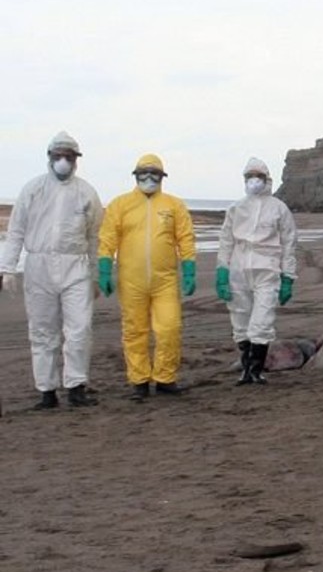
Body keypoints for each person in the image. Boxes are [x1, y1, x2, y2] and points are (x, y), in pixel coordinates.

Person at [0, 131, 104, 409]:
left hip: (76, 266)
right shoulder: (33, 190)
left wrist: (94, 274)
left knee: (79, 328)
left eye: (68, 157)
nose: (63, 162)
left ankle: (76, 385)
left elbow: (94, 237)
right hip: (39, 266)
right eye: (58, 156)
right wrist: (7, 267)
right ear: (49, 157)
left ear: (76, 160)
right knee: (43, 330)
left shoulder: (87, 193)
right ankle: (47, 390)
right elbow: (16, 230)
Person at [98, 153, 197, 401]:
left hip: (165, 281)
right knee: (134, 330)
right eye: (144, 173)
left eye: (155, 173)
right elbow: (108, 238)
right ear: (136, 175)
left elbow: (185, 237)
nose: (149, 178)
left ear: (162, 177)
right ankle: (139, 380)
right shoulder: (120, 205)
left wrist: (189, 270)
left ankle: (165, 378)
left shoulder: (174, 206)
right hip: (131, 281)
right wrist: (104, 269)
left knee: (169, 328)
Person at [215, 157, 298, 385]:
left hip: (267, 271)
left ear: (266, 179)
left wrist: (288, 276)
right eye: (249, 176)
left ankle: (256, 370)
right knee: (240, 321)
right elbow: (226, 241)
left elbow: (289, 243)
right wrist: (222, 271)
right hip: (238, 270)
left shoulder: (279, 209)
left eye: (258, 176)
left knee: (262, 321)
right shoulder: (236, 208)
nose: (254, 181)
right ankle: (246, 368)